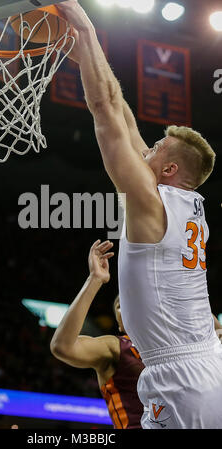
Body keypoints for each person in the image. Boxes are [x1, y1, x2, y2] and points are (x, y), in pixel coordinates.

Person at [57, 1, 222, 429]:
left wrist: (85, 29)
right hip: (204, 365)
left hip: (182, 379)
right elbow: (126, 120)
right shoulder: (189, 209)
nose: (143, 149)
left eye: (154, 151)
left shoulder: (152, 203)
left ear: (168, 170)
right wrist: (85, 56)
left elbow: (107, 112)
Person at [50, 239, 144, 429]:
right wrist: (95, 279)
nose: (127, 303)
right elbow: (62, 347)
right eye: (120, 304)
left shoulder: (174, 343)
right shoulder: (114, 347)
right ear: (119, 325)